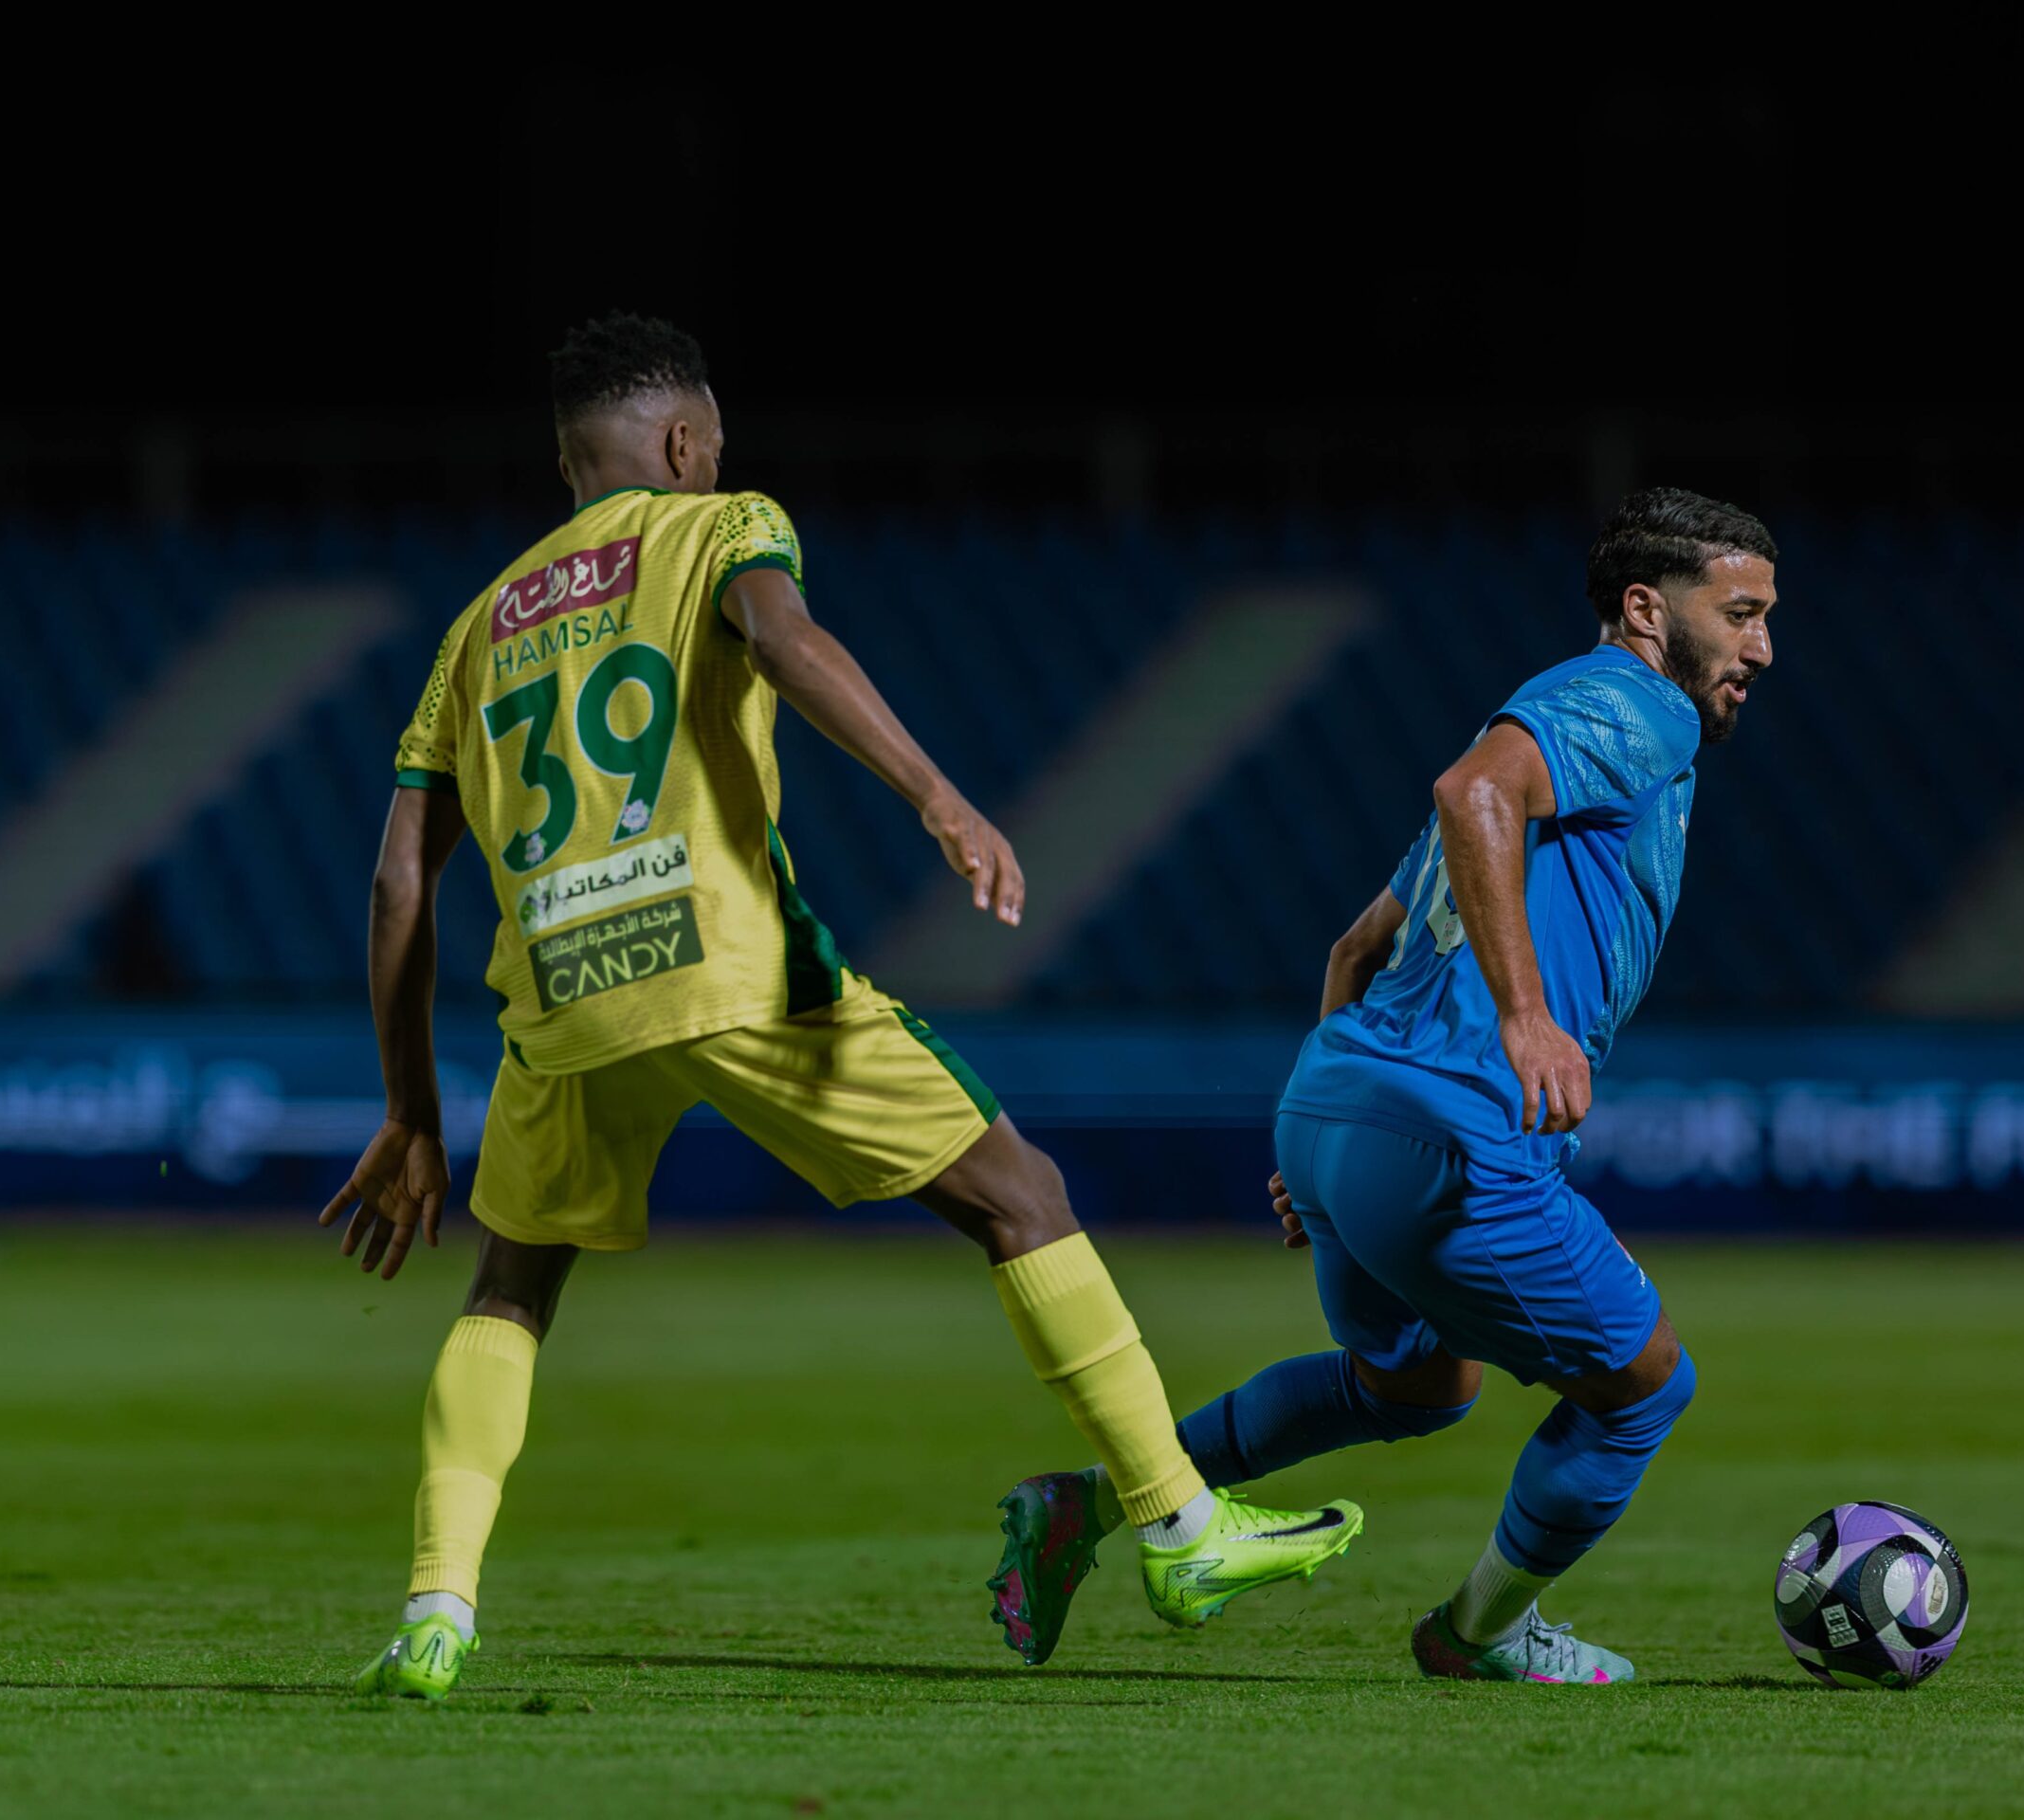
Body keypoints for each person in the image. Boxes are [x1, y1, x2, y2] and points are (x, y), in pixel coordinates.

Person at [325, 312, 1360, 1700]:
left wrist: (408, 1111)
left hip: (561, 991)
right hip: (729, 958)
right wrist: (938, 796)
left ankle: (435, 1613)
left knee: (511, 1287)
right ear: (685, 443)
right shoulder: (720, 525)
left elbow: (400, 881)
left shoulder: (476, 628)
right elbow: (788, 638)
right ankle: (1180, 1526)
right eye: (714, 445)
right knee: (1022, 1196)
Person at [995, 487, 1775, 1683]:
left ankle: (1089, 1509)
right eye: (1739, 615)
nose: (1759, 648)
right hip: (1448, 1132)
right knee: (1642, 1389)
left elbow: (1353, 950)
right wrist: (1524, 1017)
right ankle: (1479, 1635)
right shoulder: (1630, 705)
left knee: (1413, 1385)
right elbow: (1470, 792)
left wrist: (1311, 1140)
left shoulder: (1565, 751)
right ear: (1643, 609)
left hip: (1334, 1111)